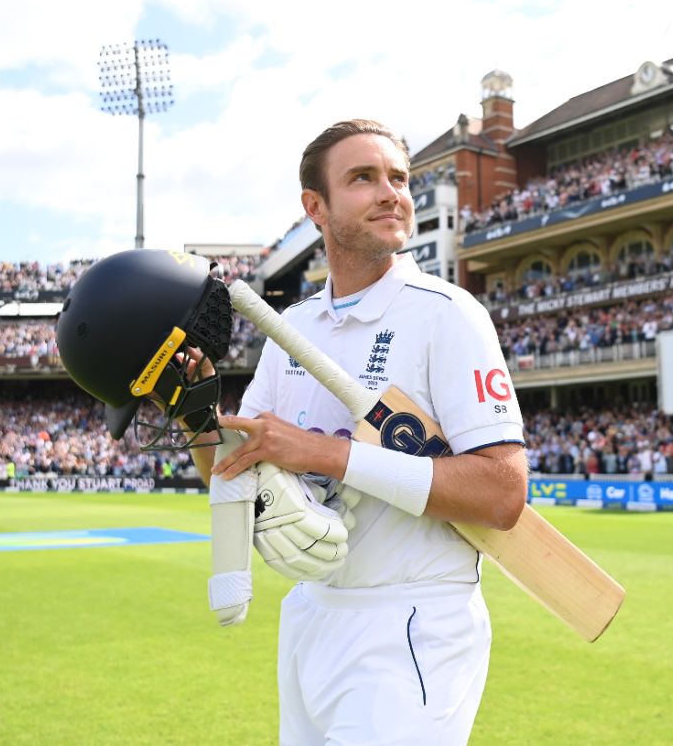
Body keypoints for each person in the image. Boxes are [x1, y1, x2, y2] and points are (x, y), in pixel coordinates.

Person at [196, 119, 527, 744]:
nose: (390, 193)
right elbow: (230, 470)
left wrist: (323, 453)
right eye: (363, 178)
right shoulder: (292, 324)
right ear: (314, 207)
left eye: (399, 179)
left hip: (411, 621)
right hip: (311, 615)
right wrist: (190, 407)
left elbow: (502, 493)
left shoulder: (448, 314)